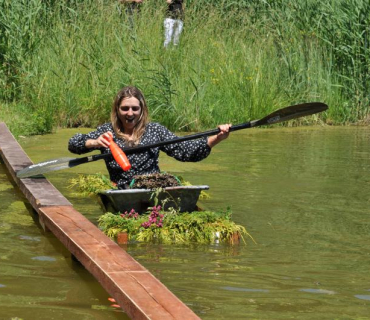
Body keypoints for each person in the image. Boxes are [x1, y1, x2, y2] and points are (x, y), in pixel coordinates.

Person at [68, 86, 231, 189]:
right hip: (121, 190)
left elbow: (185, 151)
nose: (130, 113)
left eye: (134, 108)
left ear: (142, 110)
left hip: (153, 187)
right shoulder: (107, 131)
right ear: (117, 110)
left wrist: (217, 138)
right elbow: (73, 143)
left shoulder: (154, 130)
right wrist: (94, 142)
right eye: (125, 109)